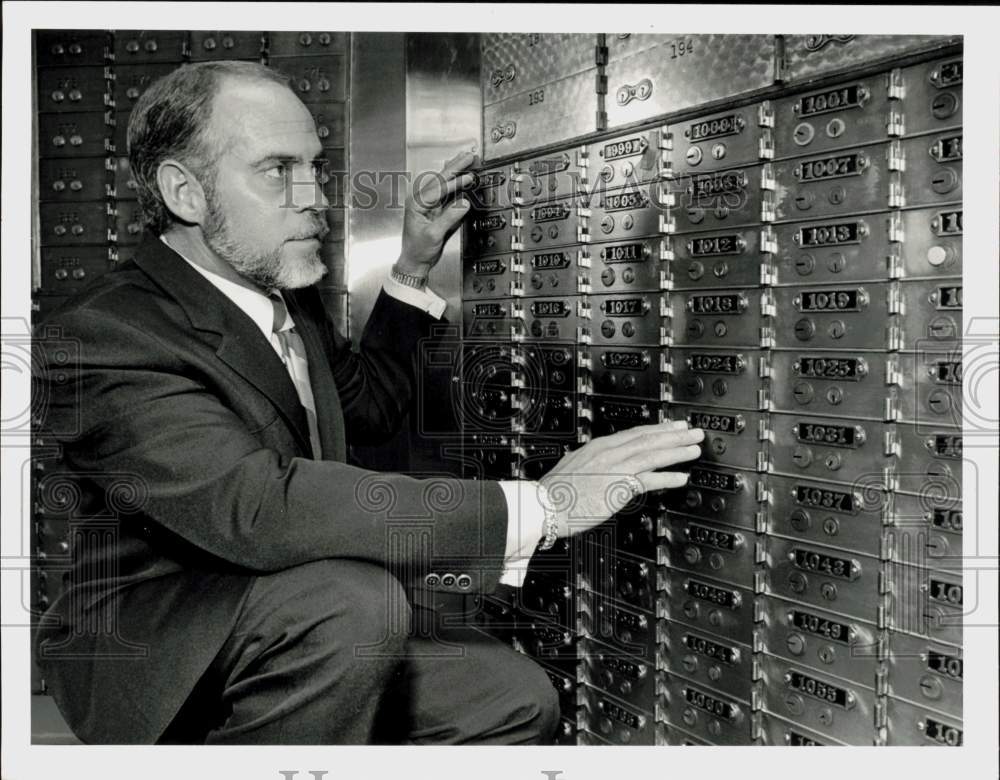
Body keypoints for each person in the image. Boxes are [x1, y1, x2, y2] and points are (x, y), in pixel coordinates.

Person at [32, 60, 704, 745]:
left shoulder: (281, 296)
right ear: (185, 192)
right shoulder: (104, 333)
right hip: (162, 637)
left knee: (514, 701)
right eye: (276, 170)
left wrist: (413, 265)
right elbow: (258, 508)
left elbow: (368, 406)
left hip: (300, 607)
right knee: (354, 603)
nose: (315, 197)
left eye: (315, 168)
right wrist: (544, 504)